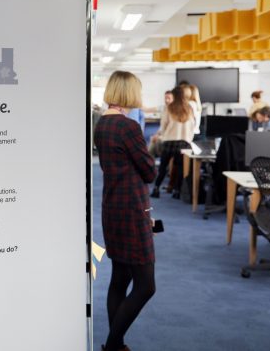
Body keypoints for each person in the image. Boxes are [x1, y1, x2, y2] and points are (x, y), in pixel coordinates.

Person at [94, 71, 156, 351]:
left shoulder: (101, 124)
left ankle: (116, 345)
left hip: (112, 206)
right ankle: (112, 344)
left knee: (120, 276)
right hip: (132, 209)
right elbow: (150, 172)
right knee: (145, 285)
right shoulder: (128, 127)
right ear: (129, 92)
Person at [150, 86, 195, 199]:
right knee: (180, 168)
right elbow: (192, 126)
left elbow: (164, 124)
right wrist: (188, 139)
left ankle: (156, 189)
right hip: (184, 143)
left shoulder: (169, 108)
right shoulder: (189, 108)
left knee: (163, 167)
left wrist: (164, 135)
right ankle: (177, 191)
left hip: (169, 141)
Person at [148, 90, 173, 157]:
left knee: (155, 144)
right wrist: (156, 135)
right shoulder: (163, 109)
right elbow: (162, 128)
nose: (167, 100)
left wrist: (159, 137)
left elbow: (170, 130)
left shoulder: (174, 112)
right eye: (165, 98)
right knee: (151, 146)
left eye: (169, 98)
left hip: (168, 138)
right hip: (162, 136)